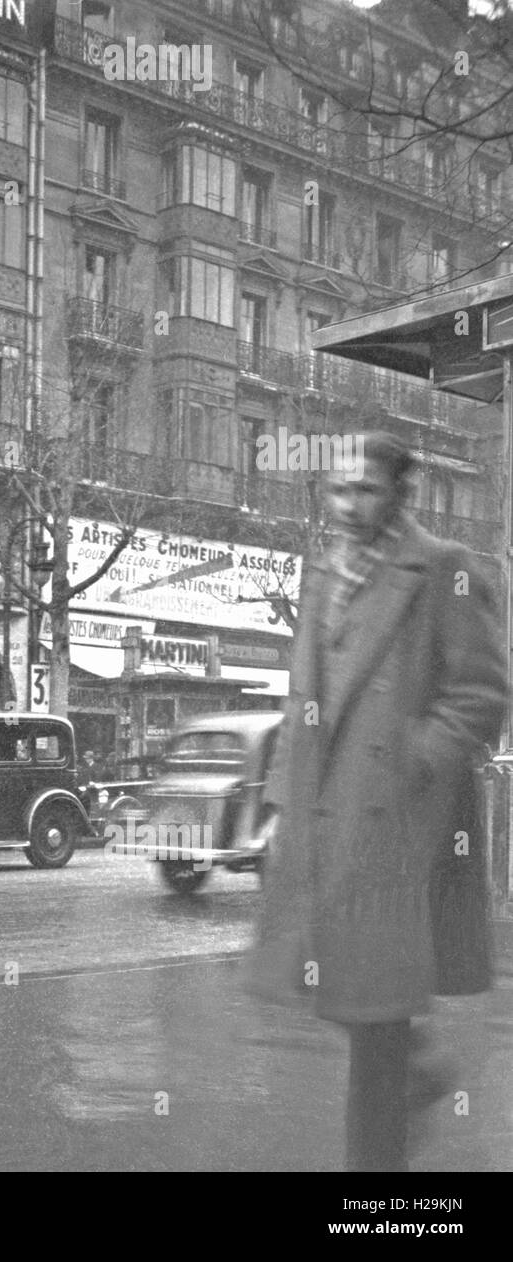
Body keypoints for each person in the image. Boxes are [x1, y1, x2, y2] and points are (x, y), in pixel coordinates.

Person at [248, 431, 506, 1172]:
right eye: (336, 489)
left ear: (400, 493)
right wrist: (279, 800)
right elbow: (305, 694)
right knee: (337, 987)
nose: (346, 504)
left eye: (363, 490)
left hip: (399, 832)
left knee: (374, 1014)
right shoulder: (323, 575)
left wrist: (413, 764)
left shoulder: (444, 570)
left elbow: (483, 693)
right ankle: (420, 1077)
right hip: (324, 820)